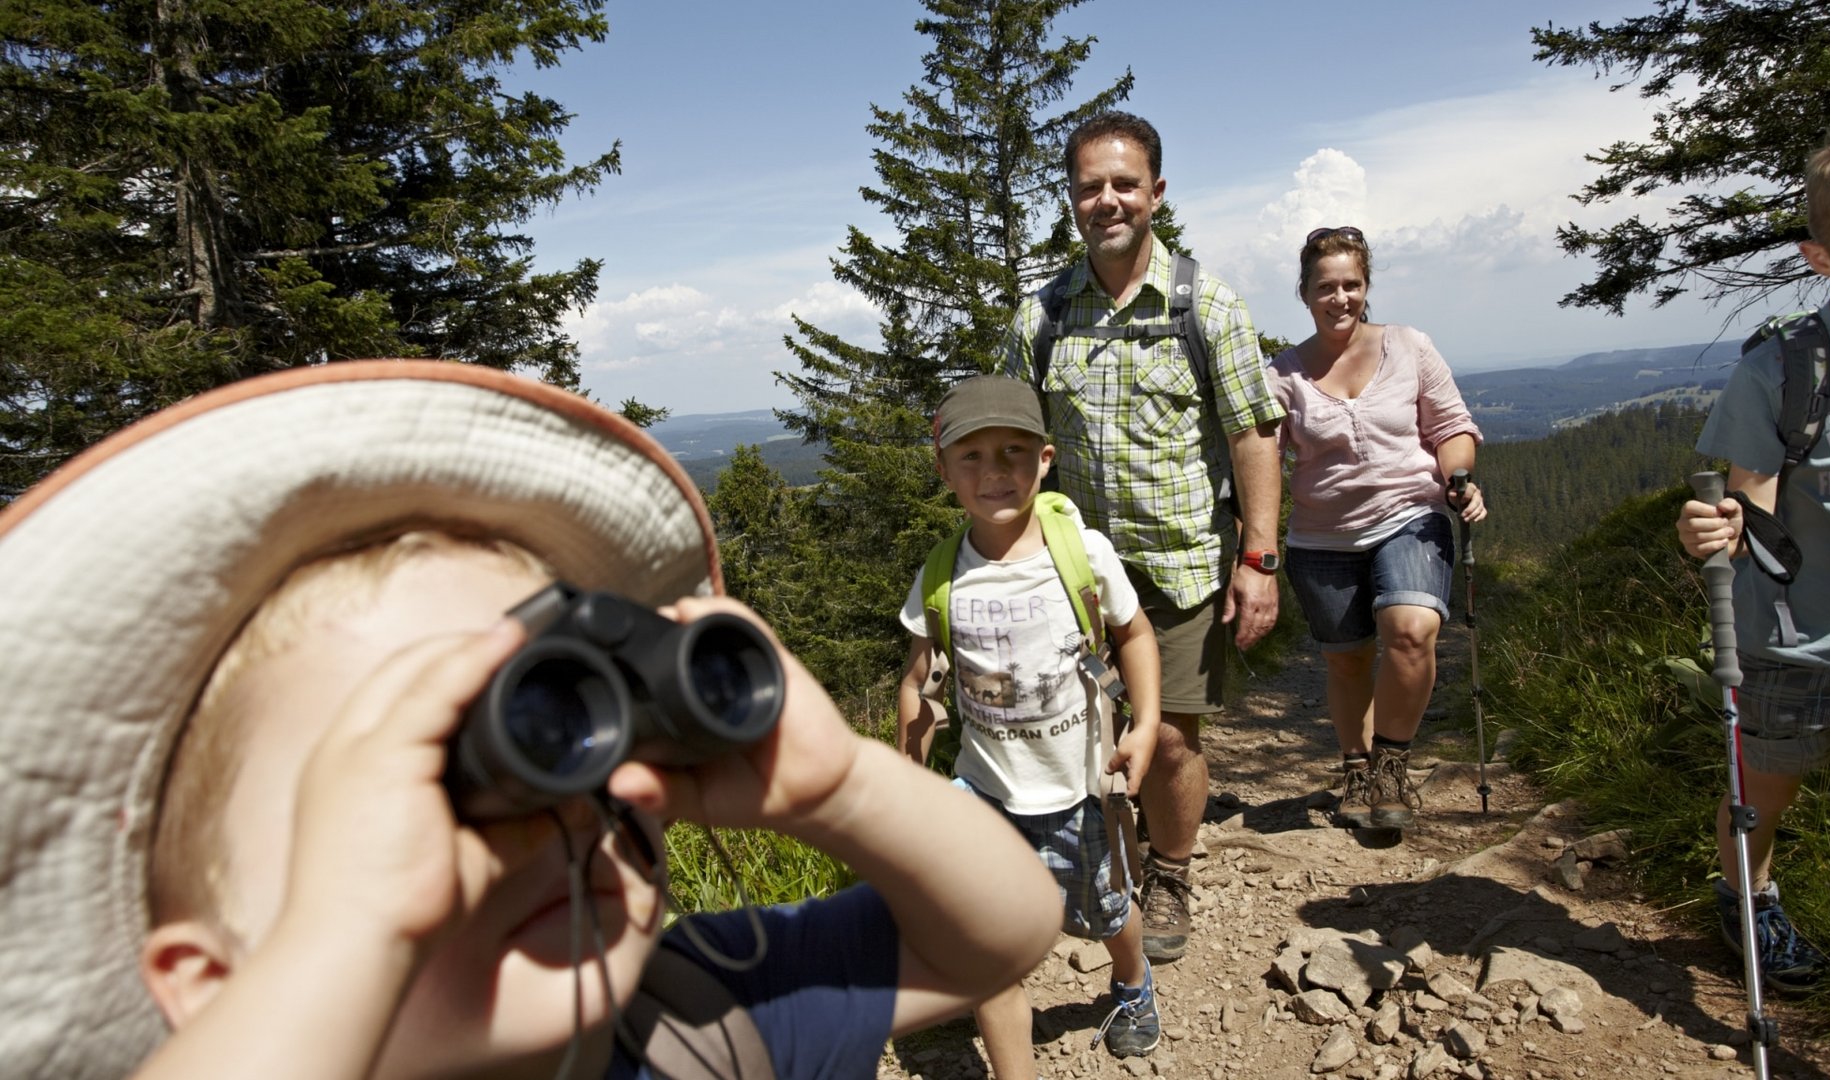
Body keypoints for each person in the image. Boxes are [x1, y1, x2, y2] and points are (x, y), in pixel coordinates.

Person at [0, 361, 1063, 1080]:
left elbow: (1005, 933)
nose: (547, 806)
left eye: (560, 711)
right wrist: (353, 938)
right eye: (415, 784)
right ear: (214, 984)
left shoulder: (695, 1013)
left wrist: (840, 786)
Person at [998, 111, 1284, 963]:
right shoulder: (1042, 316)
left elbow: (1254, 433)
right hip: (1077, 576)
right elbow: (1012, 441)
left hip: (1182, 564)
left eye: (1125, 184)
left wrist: (1260, 558)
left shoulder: (1207, 305)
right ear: (1072, 201)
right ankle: (1096, 866)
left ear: (1157, 192)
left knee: (1167, 739)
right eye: (1091, 187)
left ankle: (1170, 871)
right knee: (1079, 731)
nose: (1108, 200)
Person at [1676, 118, 1830, 1080]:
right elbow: (1749, 498)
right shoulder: (1782, 368)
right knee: (1758, 808)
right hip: (1790, 640)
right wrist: (1724, 529)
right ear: (1820, 257)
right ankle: (1754, 902)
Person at [896, 376, 1164, 1072]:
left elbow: (1133, 635)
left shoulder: (1082, 553)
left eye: (1013, 452)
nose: (995, 472)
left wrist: (1146, 724)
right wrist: (910, 777)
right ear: (944, 468)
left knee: (1107, 911)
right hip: (984, 790)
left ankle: (1133, 984)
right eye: (973, 456)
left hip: (1078, 789)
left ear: (1045, 459)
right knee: (991, 949)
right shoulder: (940, 575)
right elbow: (920, 681)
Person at [1263, 226, 1485, 830]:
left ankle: (1392, 764)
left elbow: (1451, 427)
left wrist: (1459, 476)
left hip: (1410, 513)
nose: (1341, 298)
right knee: (1348, 661)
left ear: (1367, 287)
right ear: (1305, 292)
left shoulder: (1409, 346)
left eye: (1352, 285)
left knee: (1410, 631)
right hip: (1322, 537)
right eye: (1326, 286)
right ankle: (1356, 770)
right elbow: (1262, 462)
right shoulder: (1282, 376)